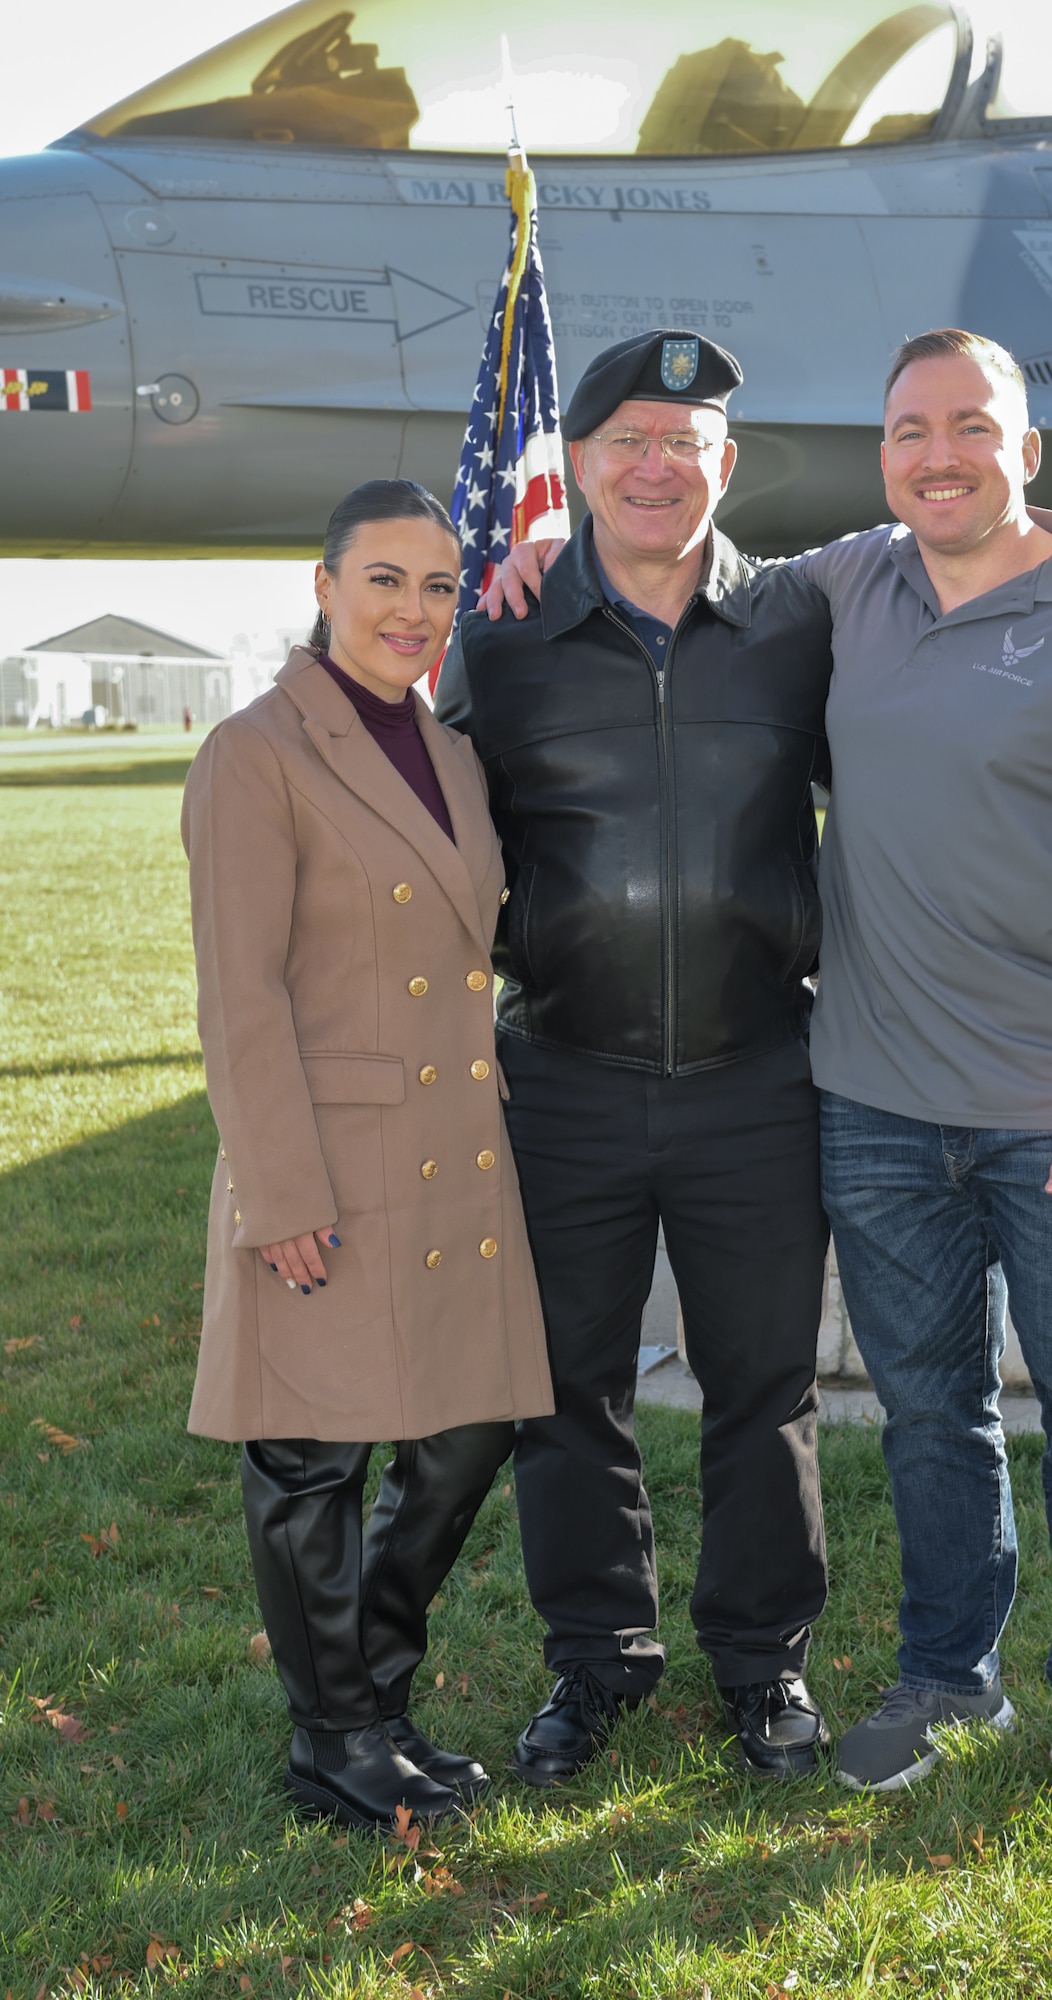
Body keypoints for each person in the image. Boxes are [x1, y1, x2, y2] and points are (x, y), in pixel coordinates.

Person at [486, 327, 1052, 1839]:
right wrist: (547, 548)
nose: (939, 454)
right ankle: (942, 1676)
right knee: (926, 1413)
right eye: (910, 429)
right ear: (880, 454)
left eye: (973, 425)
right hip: (871, 1102)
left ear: (1028, 450)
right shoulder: (846, 587)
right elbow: (657, 551)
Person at [435, 331, 835, 1784]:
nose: (657, 466)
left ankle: (763, 1667)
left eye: (688, 440)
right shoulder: (503, 634)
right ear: (584, 464)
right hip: (564, 1078)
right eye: (628, 442)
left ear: (728, 464)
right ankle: (596, 1660)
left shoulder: (801, 623)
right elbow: (411, 823)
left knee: (763, 1387)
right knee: (566, 1387)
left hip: (757, 1077)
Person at [181, 478, 554, 1831]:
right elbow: (241, 995)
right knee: (311, 1464)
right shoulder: (256, 752)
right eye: (384, 580)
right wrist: (279, 1190)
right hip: (326, 1161)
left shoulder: (446, 752)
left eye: (438, 585)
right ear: (326, 586)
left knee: (468, 1432)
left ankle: (372, 1688)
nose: (413, 610)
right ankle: (333, 1736)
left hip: (451, 1152)